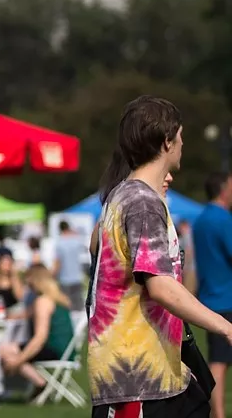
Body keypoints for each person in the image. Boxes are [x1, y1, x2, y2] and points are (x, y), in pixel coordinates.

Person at [89, 95, 232, 418]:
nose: (183, 143)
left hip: (152, 373)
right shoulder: (141, 202)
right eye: (180, 136)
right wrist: (225, 327)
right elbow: (161, 286)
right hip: (137, 376)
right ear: (166, 141)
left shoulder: (125, 196)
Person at [0, 264, 76, 395]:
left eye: (28, 280)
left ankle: (40, 383)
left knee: (5, 351)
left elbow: (40, 338)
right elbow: (28, 313)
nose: (27, 284)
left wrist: (18, 361)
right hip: (66, 350)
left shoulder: (42, 302)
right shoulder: (57, 298)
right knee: (12, 349)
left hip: (53, 349)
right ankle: (36, 385)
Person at [192, 171, 232, 418]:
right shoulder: (223, 219)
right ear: (223, 189)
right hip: (226, 298)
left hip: (210, 297)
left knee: (218, 358)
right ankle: (217, 414)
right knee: (219, 362)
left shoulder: (201, 219)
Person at [52, 220, 86, 311]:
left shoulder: (59, 244)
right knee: (79, 307)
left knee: (66, 307)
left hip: (65, 279)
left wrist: (53, 275)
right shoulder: (76, 241)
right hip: (77, 277)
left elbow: (58, 262)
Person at [0, 249, 25, 317]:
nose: (7, 266)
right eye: (4, 263)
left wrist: (14, 276)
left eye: (9, 263)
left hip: (12, 313)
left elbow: (20, 296)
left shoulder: (14, 279)